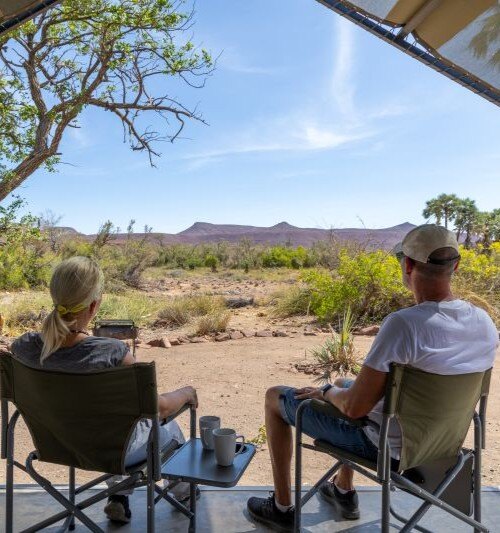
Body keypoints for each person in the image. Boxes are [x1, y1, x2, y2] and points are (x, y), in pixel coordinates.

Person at [247, 224, 498, 531]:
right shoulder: (484, 322)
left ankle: (282, 508)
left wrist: (324, 392)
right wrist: (336, 389)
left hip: (388, 451)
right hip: (443, 447)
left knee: (276, 396)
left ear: (407, 265)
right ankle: (343, 491)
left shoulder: (404, 326)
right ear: (455, 265)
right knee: (346, 382)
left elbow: (355, 409)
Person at [10, 256, 199, 525]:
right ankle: (184, 494)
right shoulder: (112, 353)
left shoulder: (24, 347)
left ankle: (118, 497)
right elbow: (159, 408)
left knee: (118, 423)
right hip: (110, 449)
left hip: (55, 443)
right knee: (161, 426)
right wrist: (187, 392)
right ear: (94, 305)